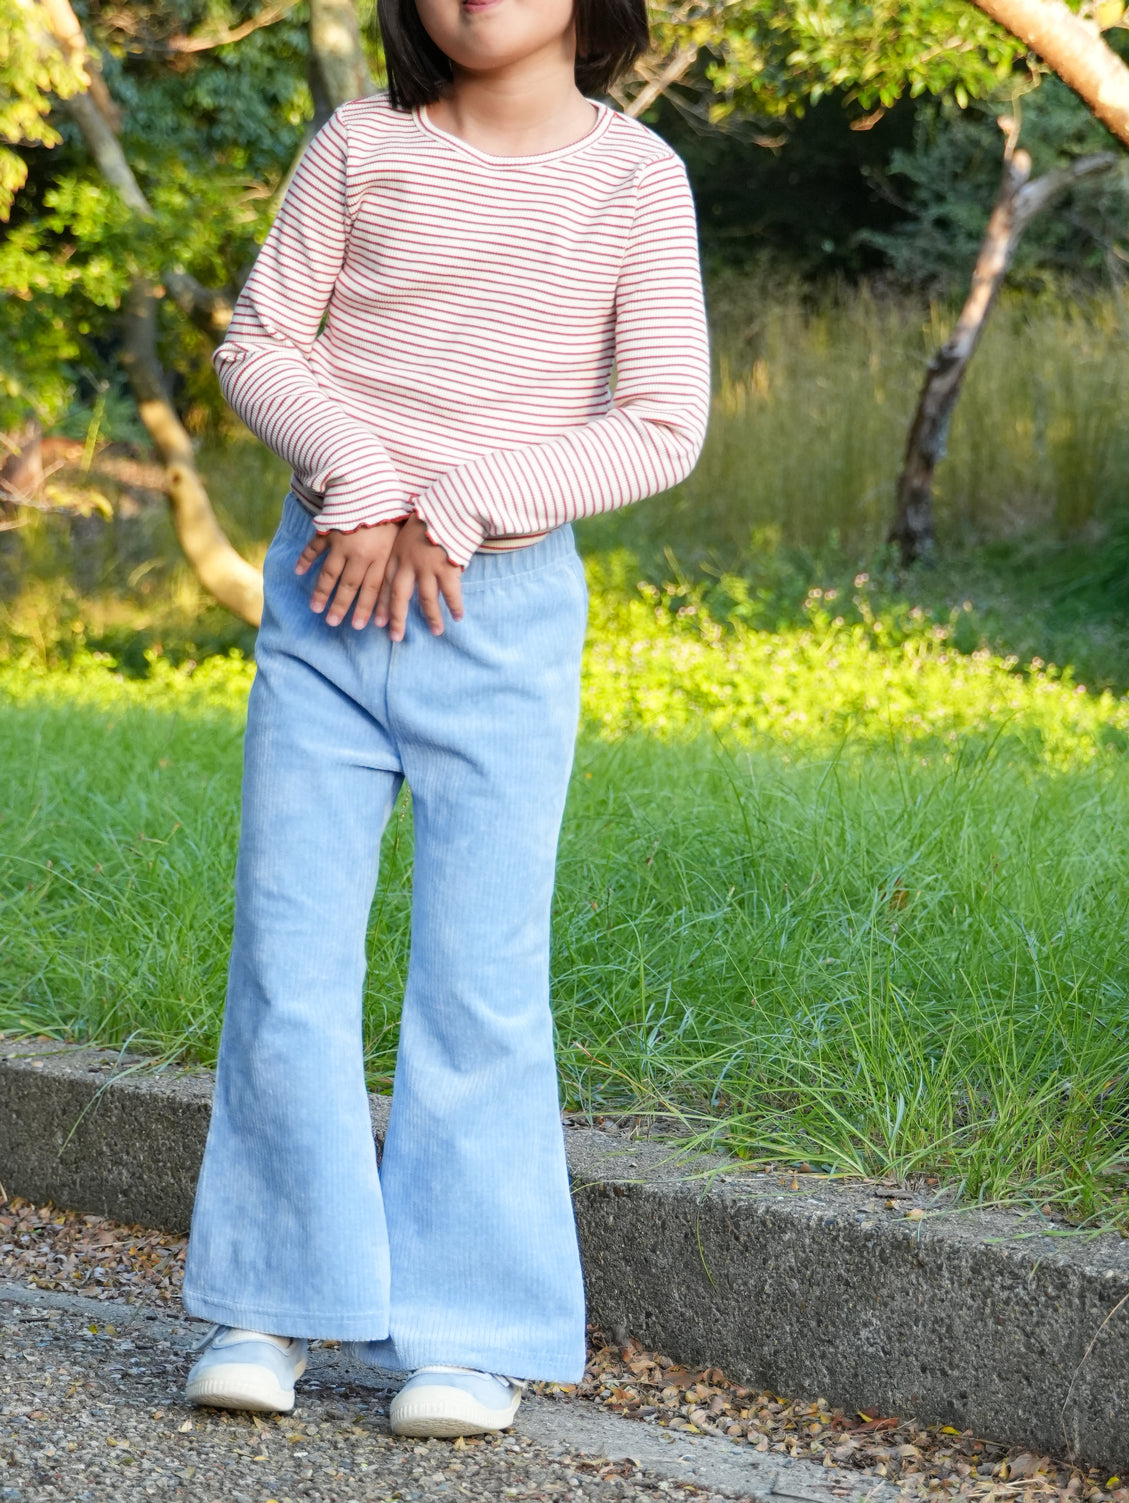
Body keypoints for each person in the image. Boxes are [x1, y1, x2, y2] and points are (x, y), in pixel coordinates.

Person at [180, 0, 711, 1440]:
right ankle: (270, 1301)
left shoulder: (635, 177)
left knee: (480, 981)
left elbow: (664, 419)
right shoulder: (360, 145)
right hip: (326, 601)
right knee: (288, 957)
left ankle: (471, 1329)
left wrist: (460, 503)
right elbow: (261, 343)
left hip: (502, 620)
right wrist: (358, 478)